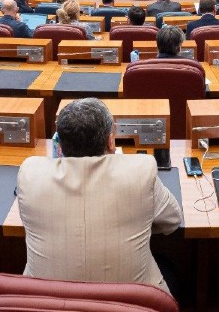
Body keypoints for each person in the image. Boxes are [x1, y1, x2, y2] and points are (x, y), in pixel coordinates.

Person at [16, 98, 181, 292]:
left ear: (59, 146)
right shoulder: (141, 170)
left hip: (48, 300)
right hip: (132, 302)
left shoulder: (30, 173)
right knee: (168, 268)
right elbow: (172, 221)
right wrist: (134, 224)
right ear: (111, 141)